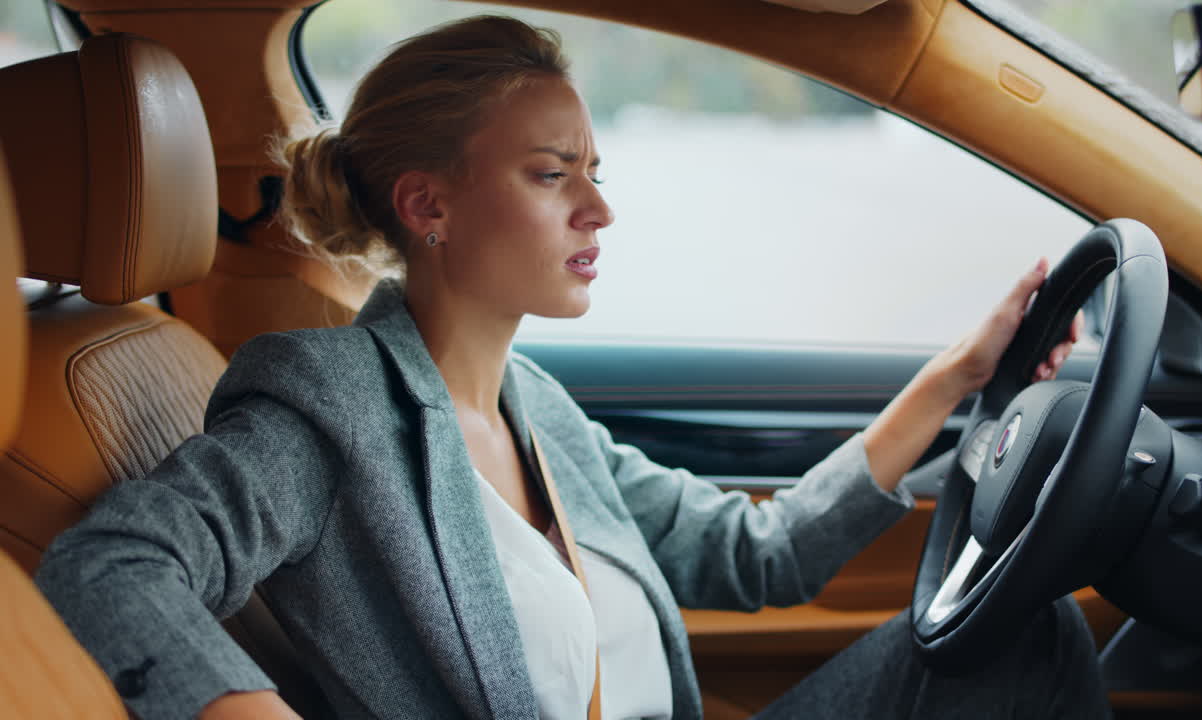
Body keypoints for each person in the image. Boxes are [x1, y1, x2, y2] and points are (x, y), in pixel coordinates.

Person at [35, 14, 1103, 720]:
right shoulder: (329, 405)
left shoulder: (533, 406)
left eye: (593, 171)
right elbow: (113, 568)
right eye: (552, 175)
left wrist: (958, 376)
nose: (597, 209)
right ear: (429, 205)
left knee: (1030, 636)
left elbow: (752, 555)